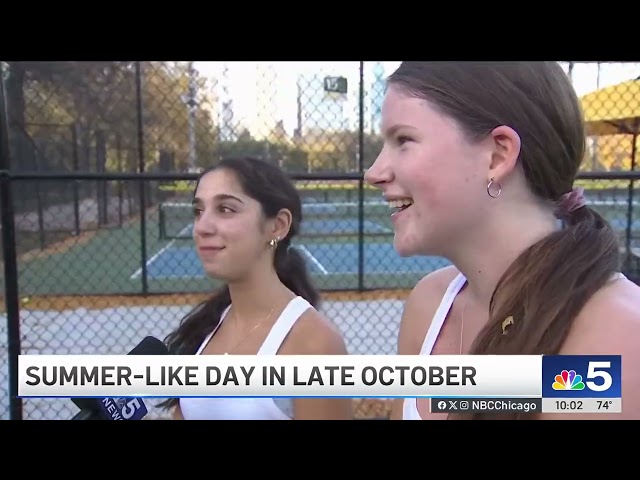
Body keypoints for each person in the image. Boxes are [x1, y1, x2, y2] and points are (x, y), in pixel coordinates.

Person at [364, 61, 640, 420]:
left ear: (498, 155)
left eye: (403, 140)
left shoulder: (621, 338)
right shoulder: (430, 305)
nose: (374, 172)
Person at [159, 156, 352, 420]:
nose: (202, 227)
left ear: (277, 225)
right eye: (198, 211)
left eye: (225, 209)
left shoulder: (314, 345)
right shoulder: (202, 330)